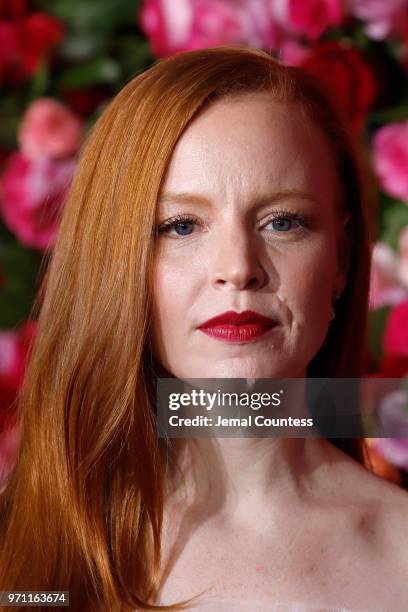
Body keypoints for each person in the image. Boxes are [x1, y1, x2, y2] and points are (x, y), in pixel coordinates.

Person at [0, 46, 407, 612]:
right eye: (181, 225)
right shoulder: (19, 558)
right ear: (117, 263)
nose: (237, 266)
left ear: (340, 259)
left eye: (283, 221)